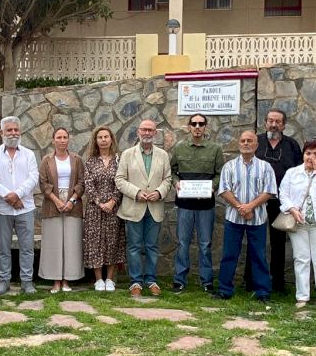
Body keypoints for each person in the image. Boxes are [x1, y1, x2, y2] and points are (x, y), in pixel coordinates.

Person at [216, 130, 277, 302]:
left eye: (250, 141)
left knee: (259, 255)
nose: (246, 143)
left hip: (257, 219)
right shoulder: (229, 166)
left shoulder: (265, 167)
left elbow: (269, 191)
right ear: (238, 144)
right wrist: (240, 207)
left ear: (256, 145)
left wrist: (250, 207)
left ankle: (262, 292)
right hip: (233, 218)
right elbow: (224, 190)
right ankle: (224, 290)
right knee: (229, 254)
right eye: (243, 140)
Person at [115, 118, 172, 296]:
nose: (147, 133)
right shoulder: (127, 154)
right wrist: (136, 192)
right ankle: (135, 282)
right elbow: (119, 179)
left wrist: (159, 192)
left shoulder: (163, 155)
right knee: (134, 246)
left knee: (152, 246)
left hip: (154, 208)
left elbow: (168, 179)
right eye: (144, 129)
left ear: (155, 133)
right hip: (134, 207)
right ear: (138, 131)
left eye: (150, 130)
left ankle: (151, 280)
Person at [278, 140, 316, 308]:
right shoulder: (292, 173)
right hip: (299, 223)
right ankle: (302, 296)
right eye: (308, 153)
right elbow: (283, 193)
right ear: (303, 155)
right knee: (301, 258)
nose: (311, 157)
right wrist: (292, 209)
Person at [170, 113, 224, 294]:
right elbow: (172, 170)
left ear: (205, 127)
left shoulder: (215, 149)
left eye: (201, 124)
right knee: (182, 243)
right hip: (185, 204)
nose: (197, 127)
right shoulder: (179, 148)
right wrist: (176, 182)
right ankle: (179, 280)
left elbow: (220, 173)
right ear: (189, 127)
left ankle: (206, 281)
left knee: (205, 244)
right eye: (194, 124)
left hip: (205, 205)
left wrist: (213, 187)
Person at [0, 116, 40, 296]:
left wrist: (17, 194)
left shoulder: (29, 154)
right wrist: (10, 198)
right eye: (9, 130)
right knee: (3, 247)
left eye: (16, 130)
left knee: (27, 247)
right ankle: (4, 281)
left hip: (25, 207)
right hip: (2, 208)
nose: (13, 133)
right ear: (1, 132)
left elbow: (33, 178)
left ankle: (27, 282)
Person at [252, 108, 302, 293]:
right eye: (270, 121)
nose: (274, 124)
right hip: (257, 201)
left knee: (278, 243)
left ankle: (278, 282)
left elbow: (298, 173)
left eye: (278, 121)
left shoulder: (292, 145)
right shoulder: (256, 142)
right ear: (265, 123)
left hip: (281, 202)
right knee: (254, 241)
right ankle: (251, 280)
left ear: (284, 125)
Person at [39, 127, 86, 292]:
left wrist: (72, 200)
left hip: (73, 202)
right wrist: (57, 200)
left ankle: (67, 280)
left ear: (68, 139)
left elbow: (81, 182)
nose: (62, 140)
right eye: (58, 137)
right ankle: (56, 280)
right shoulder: (46, 160)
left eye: (65, 137)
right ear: (53, 140)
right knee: (53, 243)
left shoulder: (77, 159)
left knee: (71, 242)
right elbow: (43, 183)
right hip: (52, 202)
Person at [82, 125, 126, 291]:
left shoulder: (119, 161)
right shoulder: (90, 162)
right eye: (100, 137)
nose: (103, 140)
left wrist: (112, 201)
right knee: (95, 243)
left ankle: (110, 279)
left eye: (106, 137)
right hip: (95, 209)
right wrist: (100, 203)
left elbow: (121, 182)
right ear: (96, 141)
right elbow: (88, 185)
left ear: (111, 139)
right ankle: (99, 279)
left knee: (113, 242)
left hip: (114, 209)